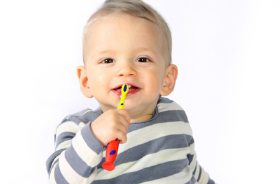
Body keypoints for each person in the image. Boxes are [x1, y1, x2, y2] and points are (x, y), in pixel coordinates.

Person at [46, 0, 215, 183]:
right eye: (108, 60)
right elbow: (59, 180)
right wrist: (94, 137)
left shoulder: (175, 116)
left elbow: (191, 168)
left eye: (142, 59)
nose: (126, 70)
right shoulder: (77, 128)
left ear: (167, 79)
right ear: (86, 81)